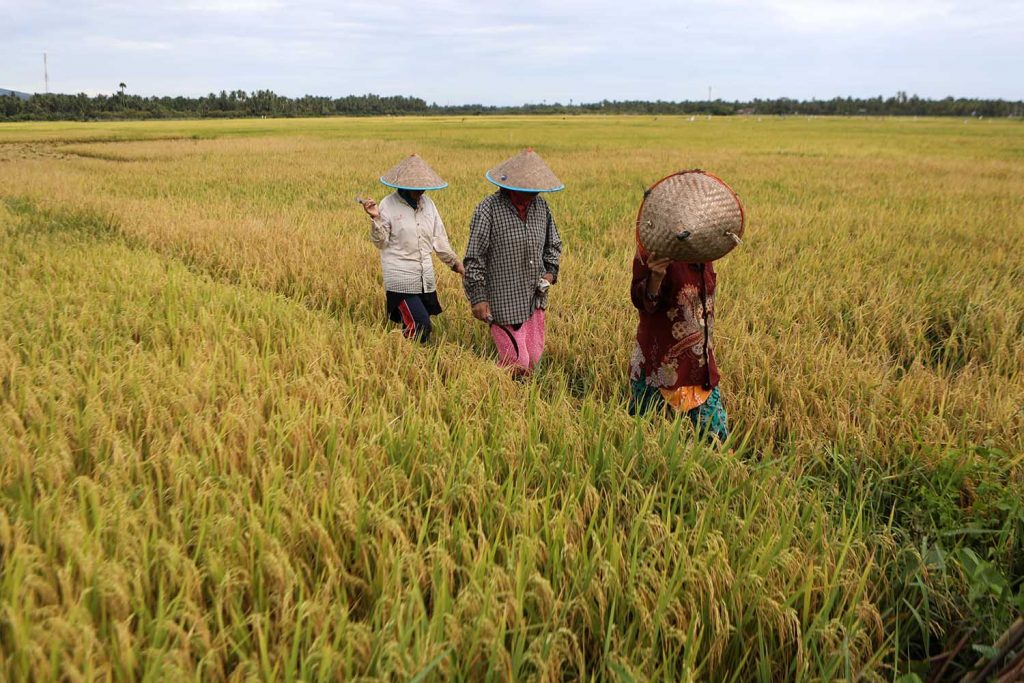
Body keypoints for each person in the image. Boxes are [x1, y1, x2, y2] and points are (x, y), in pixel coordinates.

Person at [627, 170, 745, 444]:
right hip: (658, 364)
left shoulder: (705, 251)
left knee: (716, 439)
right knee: (643, 439)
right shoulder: (653, 250)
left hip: (699, 364)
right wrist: (655, 277)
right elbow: (641, 302)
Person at [463, 148, 563, 375]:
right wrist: (478, 296)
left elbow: (553, 244)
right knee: (516, 362)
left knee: (534, 358)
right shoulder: (488, 210)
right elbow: (474, 257)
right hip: (504, 301)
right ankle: (494, 393)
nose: (534, 193)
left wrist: (550, 272)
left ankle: (521, 403)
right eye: (528, 189)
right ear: (510, 186)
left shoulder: (541, 207)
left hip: (534, 296)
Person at [360, 154, 464, 343]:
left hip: (424, 277)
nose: (420, 191)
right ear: (403, 186)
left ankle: (411, 357)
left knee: (418, 326)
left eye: (422, 186)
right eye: (415, 187)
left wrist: (457, 265)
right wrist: (375, 218)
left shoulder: (429, 205)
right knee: (420, 324)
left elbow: (439, 239)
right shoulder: (388, 205)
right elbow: (380, 242)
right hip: (400, 278)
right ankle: (404, 358)